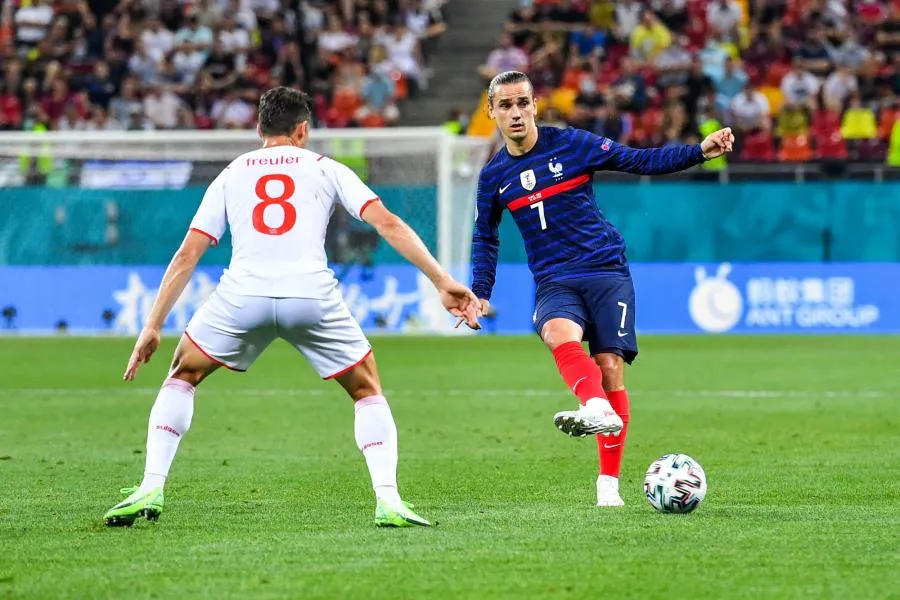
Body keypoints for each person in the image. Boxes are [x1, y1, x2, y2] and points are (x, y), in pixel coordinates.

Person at [104, 86, 481, 528]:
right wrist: (442, 280)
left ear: (259, 128)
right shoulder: (325, 168)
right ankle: (389, 500)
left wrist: (152, 325)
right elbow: (388, 224)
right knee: (366, 389)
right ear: (303, 130)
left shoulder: (232, 172)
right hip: (312, 296)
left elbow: (189, 253)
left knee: (182, 375)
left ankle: (151, 485)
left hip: (242, 297)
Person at [466, 71, 732, 507]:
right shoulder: (494, 176)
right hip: (554, 278)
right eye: (505, 106)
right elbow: (486, 238)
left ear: (535, 105)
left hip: (605, 269)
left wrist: (700, 152)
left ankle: (607, 483)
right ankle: (596, 408)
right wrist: (480, 291)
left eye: (522, 103)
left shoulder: (571, 144)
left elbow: (641, 161)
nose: (515, 113)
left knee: (609, 366)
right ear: (491, 112)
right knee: (557, 332)